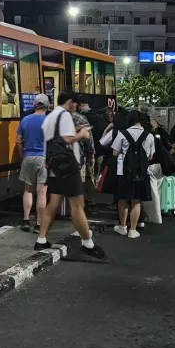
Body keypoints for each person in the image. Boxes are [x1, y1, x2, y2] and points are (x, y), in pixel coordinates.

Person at [34, 91, 108, 263]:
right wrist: (82, 135)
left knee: (53, 203)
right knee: (77, 204)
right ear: (69, 102)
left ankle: (41, 239)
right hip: (68, 166)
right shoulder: (66, 116)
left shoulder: (50, 117)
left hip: (53, 165)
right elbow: (67, 139)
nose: (76, 107)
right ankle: (88, 244)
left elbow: (52, 140)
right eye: (75, 104)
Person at [108, 110, 154, 238]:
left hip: (123, 171)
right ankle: (133, 230)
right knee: (136, 201)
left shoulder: (122, 134)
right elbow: (150, 156)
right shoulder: (149, 136)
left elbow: (115, 153)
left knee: (123, 199)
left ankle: (122, 227)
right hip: (142, 172)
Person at [16, 94, 50, 232]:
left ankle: (25, 220)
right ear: (47, 107)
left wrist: (22, 156)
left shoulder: (25, 120)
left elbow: (18, 141)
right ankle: (39, 224)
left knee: (28, 189)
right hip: (43, 158)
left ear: (34, 105)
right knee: (42, 192)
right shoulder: (49, 121)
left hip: (28, 156)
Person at [73, 95, 97, 209]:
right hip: (80, 154)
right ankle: (88, 202)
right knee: (86, 178)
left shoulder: (57, 117)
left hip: (63, 155)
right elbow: (89, 138)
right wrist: (91, 154)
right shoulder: (80, 118)